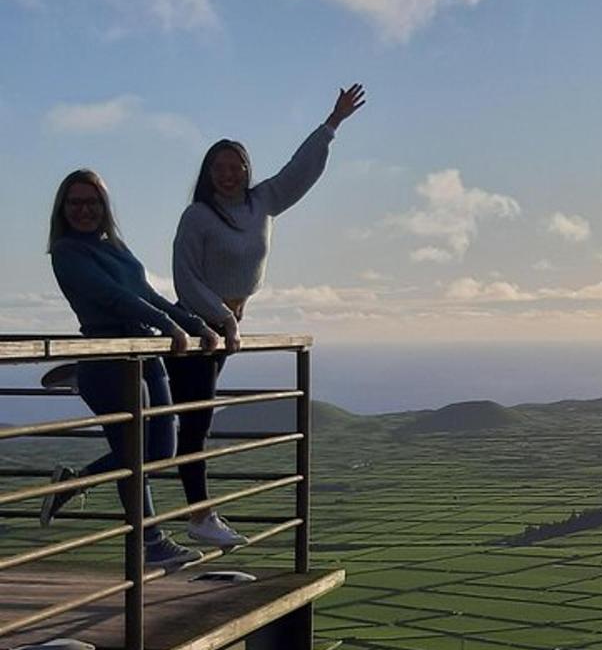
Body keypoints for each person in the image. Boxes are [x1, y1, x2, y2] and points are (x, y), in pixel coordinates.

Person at [166, 84, 366, 546]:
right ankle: (200, 517)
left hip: (220, 329)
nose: (229, 174)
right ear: (208, 173)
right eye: (220, 167)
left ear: (246, 171)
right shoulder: (196, 217)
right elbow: (185, 281)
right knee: (194, 424)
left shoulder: (262, 204)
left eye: (236, 166)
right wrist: (227, 320)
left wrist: (331, 124)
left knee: (169, 422)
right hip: (197, 328)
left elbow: (300, 172)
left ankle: (80, 471)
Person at [43, 169, 223, 568]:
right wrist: (171, 327)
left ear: (104, 207)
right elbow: (113, 297)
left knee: (160, 449)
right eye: (75, 202)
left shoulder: (116, 248)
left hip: (145, 352)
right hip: (109, 358)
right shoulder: (67, 252)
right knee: (133, 452)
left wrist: (196, 326)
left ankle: (74, 482)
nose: (84, 210)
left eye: (92, 202)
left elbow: (145, 293)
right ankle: (152, 542)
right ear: (63, 208)